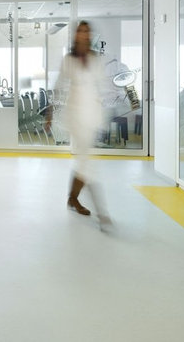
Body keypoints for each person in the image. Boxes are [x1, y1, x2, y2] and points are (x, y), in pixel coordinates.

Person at [46, 21, 111, 228]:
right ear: (75, 35)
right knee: (86, 162)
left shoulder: (95, 59)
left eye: (87, 31)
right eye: (80, 31)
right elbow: (58, 87)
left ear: (90, 35)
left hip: (92, 116)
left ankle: (72, 198)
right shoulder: (69, 59)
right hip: (75, 116)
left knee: (83, 162)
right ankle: (102, 213)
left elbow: (102, 87)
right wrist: (49, 113)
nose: (84, 34)